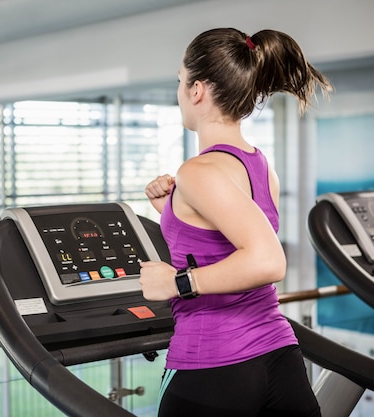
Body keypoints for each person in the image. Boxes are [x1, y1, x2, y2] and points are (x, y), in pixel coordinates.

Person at [139, 28, 332, 417]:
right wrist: (173, 211)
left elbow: (267, 261)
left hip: (213, 365)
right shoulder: (261, 168)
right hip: (279, 361)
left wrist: (175, 282)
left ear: (197, 91)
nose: (179, 92)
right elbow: (224, 242)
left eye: (179, 80)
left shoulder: (198, 171)